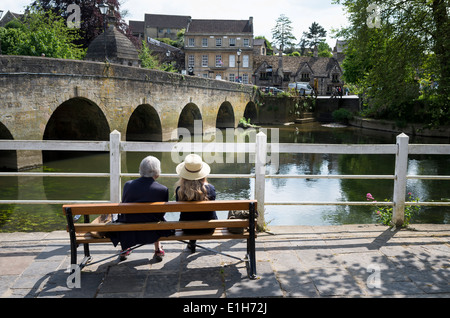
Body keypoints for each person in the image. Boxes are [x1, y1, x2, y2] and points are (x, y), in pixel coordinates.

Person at [109, 156, 174, 262]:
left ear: (141, 170)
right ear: (157, 171)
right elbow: (161, 213)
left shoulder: (128, 185)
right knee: (157, 218)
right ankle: (158, 248)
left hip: (130, 229)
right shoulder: (163, 189)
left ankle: (125, 248)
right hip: (153, 230)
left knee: (125, 216)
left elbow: (125, 206)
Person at [175, 154, 217, 253]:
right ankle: (192, 243)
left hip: (187, 228)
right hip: (208, 228)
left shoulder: (179, 190)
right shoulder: (210, 189)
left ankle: (192, 242)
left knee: (191, 216)